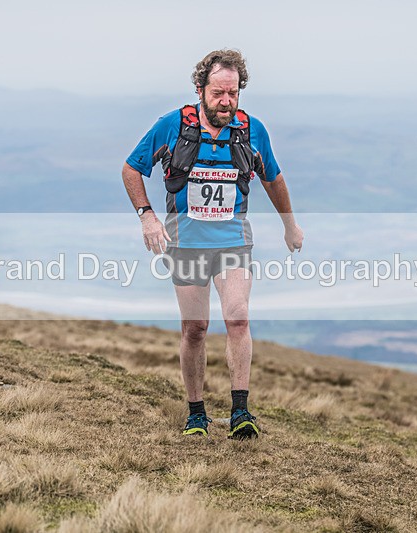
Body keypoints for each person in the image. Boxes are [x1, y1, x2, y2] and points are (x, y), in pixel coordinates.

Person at [122, 49, 304, 439]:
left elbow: (273, 178)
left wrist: (290, 225)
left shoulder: (252, 131)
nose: (226, 101)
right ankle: (196, 414)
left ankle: (241, 412)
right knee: (195, 328)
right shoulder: (173, 126)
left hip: (233, 241)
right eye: (218, 93)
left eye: (233, 93)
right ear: (200, 89)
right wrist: (147, 216)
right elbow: (132, 168)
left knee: (238, 318)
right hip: (186, 243)